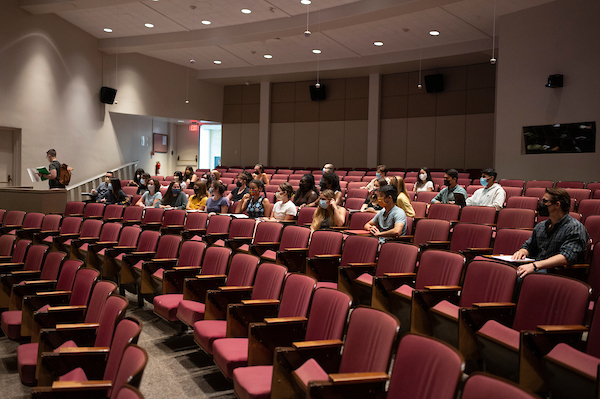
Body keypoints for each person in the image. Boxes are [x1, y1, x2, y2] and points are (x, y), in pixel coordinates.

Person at [513, 188, 589, 278]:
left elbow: (567, 256)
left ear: (557, 205)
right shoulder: (541, 226)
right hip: (538, 267)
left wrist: (534, 265)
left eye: (545, 201)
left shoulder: (575, 228)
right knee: (509, 273)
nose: (541, 204)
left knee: (520, 277)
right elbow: (529, 246)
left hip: (557, 273)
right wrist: (522, 252)